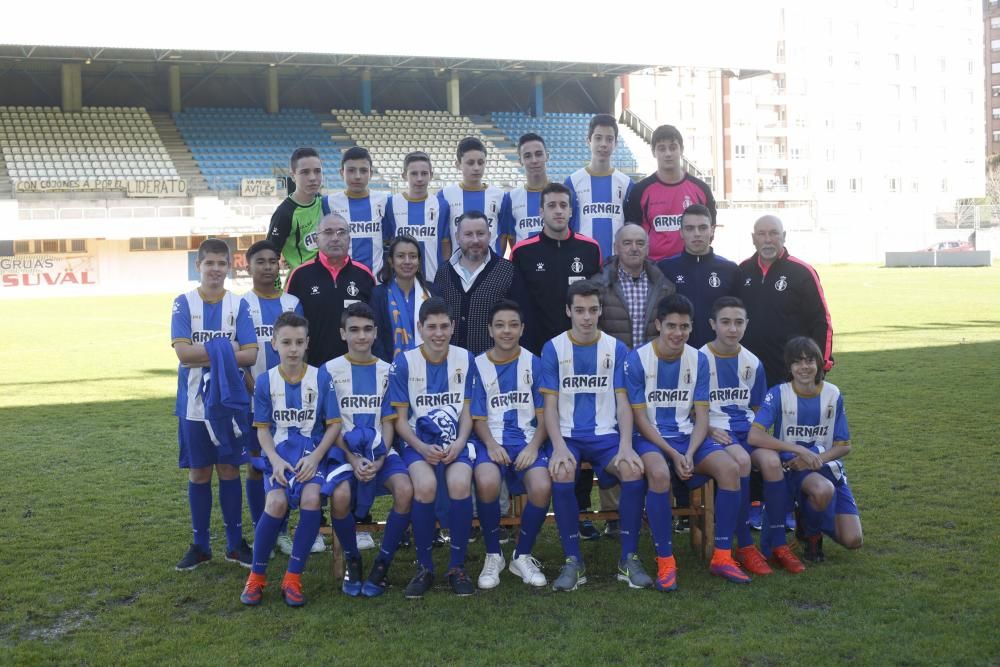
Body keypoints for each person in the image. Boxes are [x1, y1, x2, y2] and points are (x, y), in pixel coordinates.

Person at [625, 294, 755, 589]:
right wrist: (673, 453)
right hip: (650, 438)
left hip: (688, 436)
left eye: (684, 327)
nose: (677, 333)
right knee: (658, 473)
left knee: (731, 469)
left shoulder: (698, 359)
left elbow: (702, 414)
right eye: (671, 326)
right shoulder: (638, 360)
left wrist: (691, 451)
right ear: (658, 325)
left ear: (691, 328)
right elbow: (641, 420)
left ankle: (722, 557)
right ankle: (666, 561)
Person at [541, 280, 647, 592]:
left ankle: (628, 558)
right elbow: (549, 405)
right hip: (568, 436)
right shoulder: (553, 347)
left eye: (592, 310)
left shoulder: (616, 348)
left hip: (606, 436)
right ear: (568, 311)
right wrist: (558, 446)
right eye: (580, 310)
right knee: (562, 473)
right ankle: (573, 561)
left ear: (600, 311)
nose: (586, 317)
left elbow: (623, 402)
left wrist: (626, 445)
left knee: (633, 469)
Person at [239, 312, 342, 607]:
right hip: (281, 456)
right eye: (286, 342)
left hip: (312, 454)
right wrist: (273, 459)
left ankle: (293, 578)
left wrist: (316, 458)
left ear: (307, 343)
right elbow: (262, 430)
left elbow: (333, 424)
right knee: (275, 503)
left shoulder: (321, 376)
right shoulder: (264, 381)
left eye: (299, 342)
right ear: (274, 344)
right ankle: (256, 578)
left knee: (311, 500)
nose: (293, 348)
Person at [171, 238, 258, 571]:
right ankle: (200, 544)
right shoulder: (183, 303)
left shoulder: (239, 306)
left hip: (229, 402)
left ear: (230, 266)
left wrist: (206, 351)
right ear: (199, 265)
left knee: (229, 469)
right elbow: (182, 354)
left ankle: (235, 545)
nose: (216, 269)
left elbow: (251, 354)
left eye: (222, 263)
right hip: (193, 405)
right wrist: (226, 348)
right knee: (199, 472)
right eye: (209, 263)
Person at [387, 297, 478, 598]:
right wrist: (422, 447)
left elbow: (467, 411)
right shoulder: (404, 362)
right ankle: (424, 566)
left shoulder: (465, 359)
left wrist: (460, 442)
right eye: (431, 327)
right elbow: (400, 421)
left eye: (444, 326)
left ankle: (457, 566)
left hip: (457, 441)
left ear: (453, 327)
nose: (438, 333)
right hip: (418, 443)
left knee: (460, 483)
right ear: (420, 328)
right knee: (424, 486)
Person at [237, 240, 323, 556]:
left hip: (295, 405)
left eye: (273, 261)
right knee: (258, 466)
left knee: (289, 462)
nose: (268, 267)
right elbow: (239, 353)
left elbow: (301, 345)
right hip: (256, 397)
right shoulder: (241, 304)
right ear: (248, 266)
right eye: (261, 261)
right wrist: (256, 390)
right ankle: (265, 528)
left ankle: (283, 531)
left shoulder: (292, 302)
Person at [323, 302, 415, 597]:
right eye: (354, 330)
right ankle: (353, 559)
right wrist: (352, 458)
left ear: (376, 333)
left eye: (366, 330)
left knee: (404, 489)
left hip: (381, 452)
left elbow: (389, 421)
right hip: (343, 452)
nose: (361, 336)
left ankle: (382, 562)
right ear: (342, 333)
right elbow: (331, 425)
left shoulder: (388, 371)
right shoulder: (329, 371)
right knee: (340, 496)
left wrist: (381, 455)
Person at [748, 337, 863, 564]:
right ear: (789, 367)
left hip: (827, 466)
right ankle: (811, 536)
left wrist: (815, 457)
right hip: (792, 467)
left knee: (853, 540)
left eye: (810, 361)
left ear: (819, 363)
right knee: (822, 489)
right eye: (797, 362)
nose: (804, 367)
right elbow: (755, 435)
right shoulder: (779, 393)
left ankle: (806, 520)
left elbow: (844, 445)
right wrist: (797, 451)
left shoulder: (833, 394)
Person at [470, 300, 552, 588]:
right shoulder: (477, 365)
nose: (507, 331)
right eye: (500, 325)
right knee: (488, 480)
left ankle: (522, 554)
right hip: (490, 440)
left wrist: (533, 447)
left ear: (522, 329)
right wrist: (491, 444)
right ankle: (493, 554)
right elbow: (477, 416)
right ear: (490, 330)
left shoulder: (535, 363)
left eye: (513, 325)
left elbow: (545, 415)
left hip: (528, 440)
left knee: (542, 487)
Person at [699, 296, 778, 576]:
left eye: (738, 323)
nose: (732, 329)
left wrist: (761, 432)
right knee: (742, 462)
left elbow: (758, 408)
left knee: (772, 463)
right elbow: (686, 407)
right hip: (716, 430)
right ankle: (743, 544)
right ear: (712, 324)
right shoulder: (699, 359)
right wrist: (706, 427)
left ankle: (776, 542)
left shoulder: (752, 362)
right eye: (725, 322)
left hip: (747, 430)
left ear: (746, 325)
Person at [738, 215, 834, 386]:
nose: (768, 239)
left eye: (774, 233)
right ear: (753, 239)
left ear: (784, 236)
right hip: (749, 370)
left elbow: (821, 321)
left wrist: (822, 364)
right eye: (761, 234)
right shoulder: (743, 270)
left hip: (790, 371)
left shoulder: (802, 272)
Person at [510, 182, 602, 354]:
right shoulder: (522, 252)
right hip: (536, 347)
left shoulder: (590, 248)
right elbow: (516, 302)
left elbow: (598, 296)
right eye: (551, 205)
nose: (558, 210)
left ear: (571, 211)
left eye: (563, 205)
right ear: (541, 212)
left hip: (580, 343)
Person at [285, 213, 375, 366]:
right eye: (328, 232)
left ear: (349, 239)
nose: (335, 238)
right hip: (313, 368)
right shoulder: (300, 275)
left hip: (356, 366)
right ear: (316, 239)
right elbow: (290, 324)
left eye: (341, 232)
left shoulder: (364, 275)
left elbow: (373, 324)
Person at [434, 211, 526, 355]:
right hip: (451, 366)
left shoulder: (508, 271)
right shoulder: (443, 272)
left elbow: (519, 319)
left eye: (480, 233)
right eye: (468, 234)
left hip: (493, 366)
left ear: (489, 236)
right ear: (457, 237)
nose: (475, 240)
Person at [624, 125, 716, 262]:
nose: (668, 153)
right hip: (655, 269)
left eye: (673, 147)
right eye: (662, 148)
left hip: (692, 265)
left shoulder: (701, 188)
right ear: (653, 152)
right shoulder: (640, 191)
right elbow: (633, 234)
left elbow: (710, 229)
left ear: (681, 150)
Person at [657, 204, 741, 349]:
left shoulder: (730, 269)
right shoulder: (664, 268)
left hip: (718, 353)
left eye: (702, 228)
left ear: (712, 230)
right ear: (681, 232)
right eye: (690, 228)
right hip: (677, 352)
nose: (697, 233)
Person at [595, 224, 676, 350]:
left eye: (640, 243)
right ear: (616, 248)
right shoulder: (599, 285)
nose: (634, 248)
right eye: (627, 243)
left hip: (651, 364)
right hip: (613, 364)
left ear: (647, 249)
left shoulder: (665, 287)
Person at [565, 114, 634, 259]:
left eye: (609, 139)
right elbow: (566, 227)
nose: (603, 144)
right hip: (582, 261)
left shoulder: (627, 184)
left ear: (616, 143)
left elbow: (631, 228)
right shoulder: (572, 182)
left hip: (617, 263)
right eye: (598, 138)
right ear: (588, 141)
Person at [371, 235, 441, 363]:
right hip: (390, 370)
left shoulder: (434, 293)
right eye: (401, 256)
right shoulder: (378, 295)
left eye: (413, 256)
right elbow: (376, 338)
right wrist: (388, 369)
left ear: (419, 261)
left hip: (429, 367)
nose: (407, 261)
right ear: (391, 261)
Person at [322, 146, 390, 277]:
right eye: (351, 170)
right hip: (342, 279)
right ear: (342, 173)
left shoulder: (384, 201)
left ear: (371, 173)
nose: (357, 176)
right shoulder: (328, 203)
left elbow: (388, 239)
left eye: (363, 171)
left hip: (376, 280)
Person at [439, 137, 508, 257]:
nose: (476, 168)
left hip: (490, 269)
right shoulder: (445, 195)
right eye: (470, 163)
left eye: (480, 162)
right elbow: (444, 239)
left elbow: (503, 235)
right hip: (458, 269)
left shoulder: (500, 196)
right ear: (458, 164)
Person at [383, 151, 446, 280]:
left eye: (424, 173)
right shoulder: (391, 204)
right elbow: (388, 242)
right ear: (404, 176)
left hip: (433, 279)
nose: (419, 179)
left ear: (431, 175)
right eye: (413, 174)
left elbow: (445, 244)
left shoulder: (442, 205)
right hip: (401, 282)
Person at [267, 147, 325, 276]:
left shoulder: (326, 204)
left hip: (330, 282)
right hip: (302, 285)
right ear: (293, 175)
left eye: (317, 171)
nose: (312, 178)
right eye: (305, 172)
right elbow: (269, 257)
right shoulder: (284, 213)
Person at [499, 133, 549, 245]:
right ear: (520, 161)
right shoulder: (511, 198)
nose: (534, 160)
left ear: (547, 156)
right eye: (527, 156)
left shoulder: (562, 193)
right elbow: (511, 238)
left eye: (539, 154)